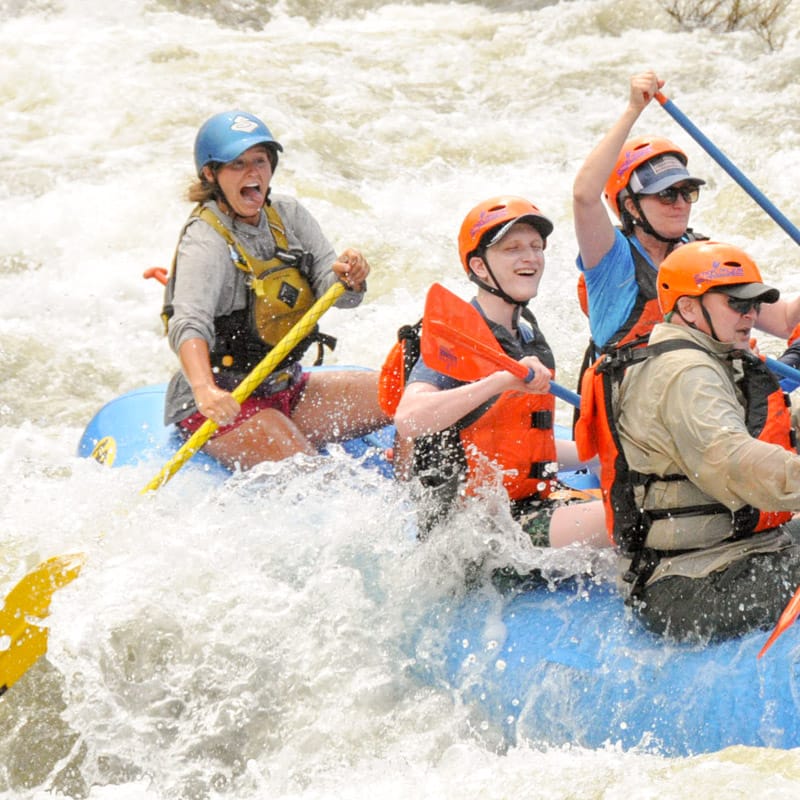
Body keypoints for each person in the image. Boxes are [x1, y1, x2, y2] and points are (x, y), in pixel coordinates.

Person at [579, 239, 800, 642]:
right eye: (736, 303)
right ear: (688, 308)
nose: (749, 315)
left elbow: (765, 426)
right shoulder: (685, 372)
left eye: (753, 305)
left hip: (732, 555)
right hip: (692, 586)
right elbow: (732, 461)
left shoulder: (708, 355)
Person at [161, 109, 389, 470]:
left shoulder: (289, 214)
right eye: (237, 164)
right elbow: (188, 322)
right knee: (315, 478)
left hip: (287, 387)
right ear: (211, 174)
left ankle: (420, 491)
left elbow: (339, 294)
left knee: (403, 393)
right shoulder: (204, 241)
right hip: (224, 402)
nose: (253, 173)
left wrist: (351, 277)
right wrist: (206, 390)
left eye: (260, 161)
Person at [389, 196, 607, 549]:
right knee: (631, 519)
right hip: (475, 534)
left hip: (524, 505)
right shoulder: (453, 342)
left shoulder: (525, 333)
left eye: (537, 247)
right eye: (513, 248)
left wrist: (593, 455)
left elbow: (519, 443)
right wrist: (500, 381)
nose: (531, 257)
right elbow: (409, 419)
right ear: (478, 266)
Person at [572, 70, 800, 361]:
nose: (680, 203)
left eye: (687, 192)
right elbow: (584, 195)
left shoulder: (701, 255)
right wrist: (633, 110)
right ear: (631, 207)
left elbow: (784, 321)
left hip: (708, 396)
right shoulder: (611, 260)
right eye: (666, 194)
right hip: (646, 399)